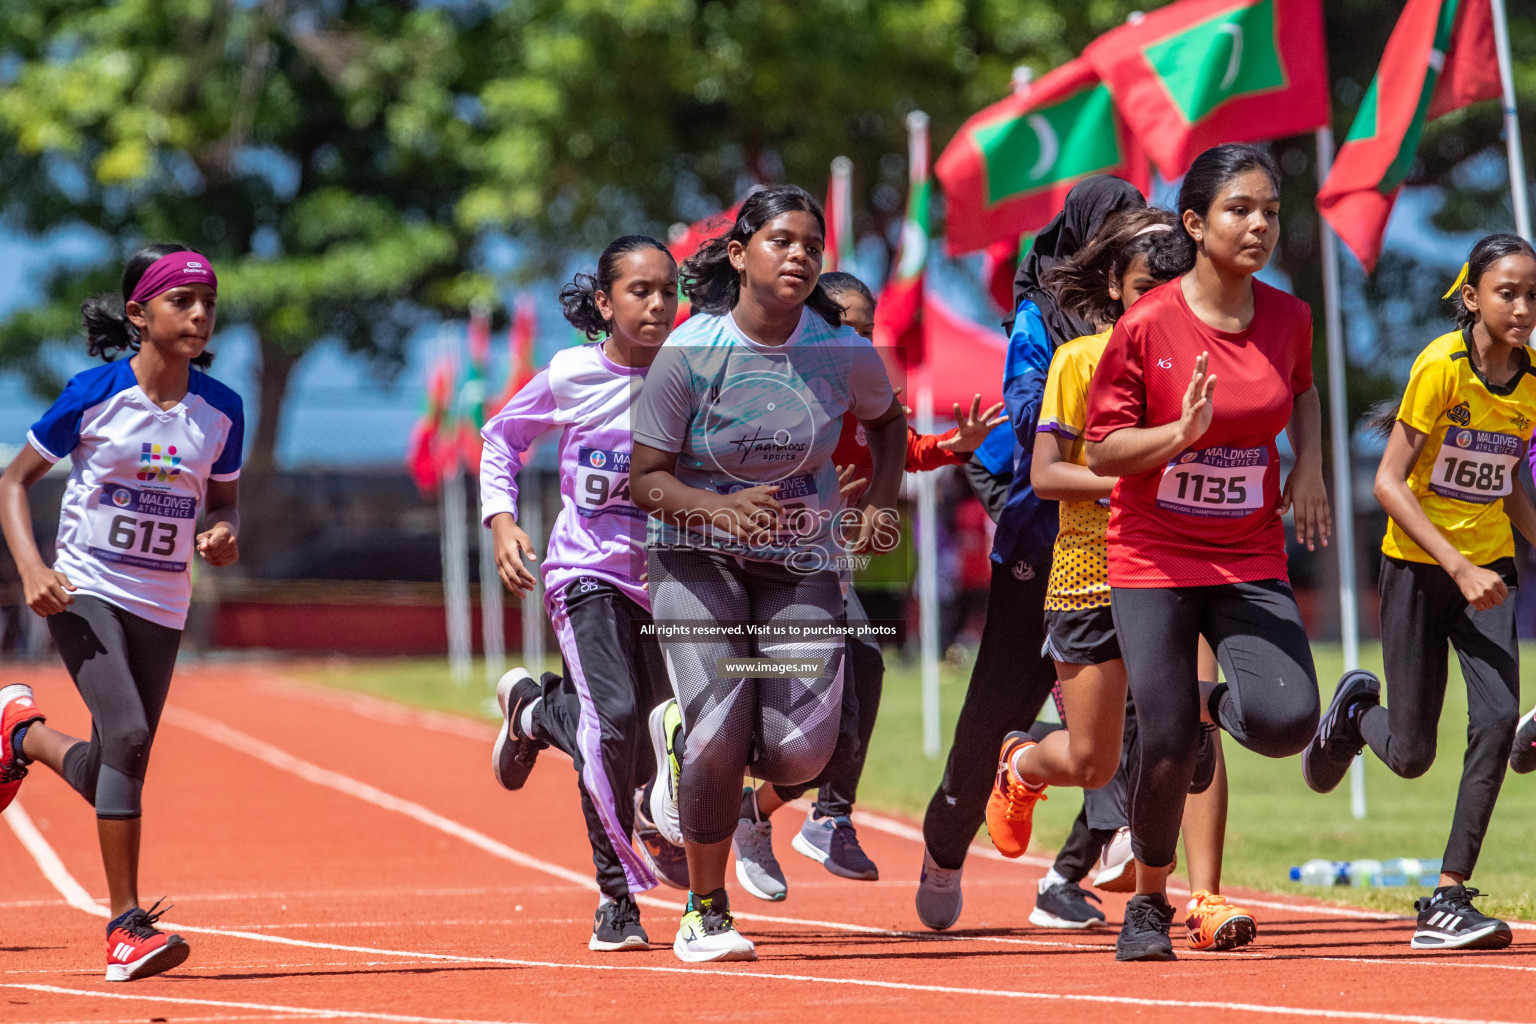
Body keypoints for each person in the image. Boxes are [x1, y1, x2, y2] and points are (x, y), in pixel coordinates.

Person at [631, 185, 905, 963]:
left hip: (800, 564)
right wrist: (715, 511)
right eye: (781, 240)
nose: (799, 255)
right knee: (723, 723)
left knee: (799, 754)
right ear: (739, 251)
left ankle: (689, 734)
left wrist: (880, 505)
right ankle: (704, 910)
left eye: (811, 246)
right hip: (695, 554)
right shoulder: (691, 352)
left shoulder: (841, 350)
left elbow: (888, 424)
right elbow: (645, 478)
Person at [1082, 143, 1328, 962]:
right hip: (1153, 557)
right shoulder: (1147, 326)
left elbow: (1302, 389)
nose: (1259, 224)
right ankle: (1149, 906)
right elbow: (1102, 451)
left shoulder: (1289, 318)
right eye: (1240, 210)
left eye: (1270, 210)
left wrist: (1313, 467)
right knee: (1164, 743)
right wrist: (1178, 435)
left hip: (1249, 554)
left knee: (1289, 719)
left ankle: (1201, 703)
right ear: (1195, 223)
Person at [0, 244, 242, 982]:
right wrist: (35, 570)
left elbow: (225, 502)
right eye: (181, 301)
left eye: (207, 302)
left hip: (164, 603)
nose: (199, 314)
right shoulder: (94, 392)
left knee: (117, 762)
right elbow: (12, 483)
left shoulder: (222, 408)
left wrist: (223, 534)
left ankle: (23, 735)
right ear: (139, 314)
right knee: (130, 736)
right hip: (83, 589)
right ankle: (124, 928)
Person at [915, 175, 1146, 931]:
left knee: (1148, 709)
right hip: (1043, 539)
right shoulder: (1040, 315)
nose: (1127, 239)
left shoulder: (1155, 309)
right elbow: (1025, 406)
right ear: (1083, 232)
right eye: (1114, 225)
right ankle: (945, 848)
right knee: (996, 711)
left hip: (1135, 546)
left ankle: (1076, 865)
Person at [729, 270, 1003, 901]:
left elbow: (903, 448)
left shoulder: (865, 401)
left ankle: (822, 817)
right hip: (756, 580)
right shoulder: (780, 397)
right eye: (844, 329)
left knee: (859, 692)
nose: (858, 343)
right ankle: (709, 790)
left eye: (868, 331)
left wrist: (955, 446)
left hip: (828, 577)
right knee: (779, 727)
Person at [1304, 233, 1536, 951]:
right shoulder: (1440, 366)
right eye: (1508, 292)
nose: (1523, 307)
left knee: (1496, 723)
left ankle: (1447, 896)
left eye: (1533, 294)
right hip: (1415, 567)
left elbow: (1510, 486)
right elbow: (1387, 483)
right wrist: (1455, 567)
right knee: (1409, 754)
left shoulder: (1532, 381)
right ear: (1472, 297)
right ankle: (1353, 717)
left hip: (1489, 570)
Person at [482, 235, 685, 952]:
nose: (658, 303)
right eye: (640, 291)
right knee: (617, 720)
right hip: (584, 573)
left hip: (666, 585)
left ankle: (536, 715)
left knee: (652, 735)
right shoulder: (571, 374)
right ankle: (617, 901)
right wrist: (502, 522)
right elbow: (502, 438)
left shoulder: (692, 378)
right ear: (605, 302)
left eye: (668, 290)